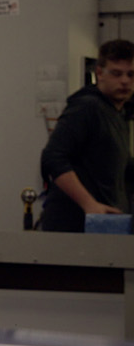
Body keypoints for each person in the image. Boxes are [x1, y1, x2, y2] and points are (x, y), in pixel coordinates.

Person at [39, 39, 134, 232]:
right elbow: (53, 158)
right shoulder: (86, 107)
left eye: (131, 74)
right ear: (99, 73)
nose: (125, 81)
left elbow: (115, 166)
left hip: (106, 225)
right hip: (75, 226)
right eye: (116, 73)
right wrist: (89, 205)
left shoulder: (118, 113)